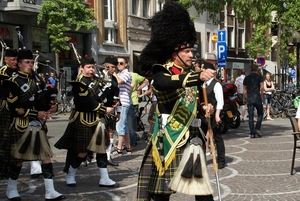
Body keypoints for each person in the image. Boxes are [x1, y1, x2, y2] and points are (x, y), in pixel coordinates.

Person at [136, 2, 215, 200]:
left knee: (202, 191)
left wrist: (205, 108)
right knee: (161, 194)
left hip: (192, 137)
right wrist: (197, 77)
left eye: (192, 50)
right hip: (169, 137)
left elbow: (193, 104)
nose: (191, 54)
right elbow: (164, 83)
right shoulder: (161, 70)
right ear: (175, 53)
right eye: (187, 51)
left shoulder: (190, 73)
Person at [1, 49, 65, 200]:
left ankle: (50, 191)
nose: (30, 65)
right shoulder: (12, 82)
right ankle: (11, 189)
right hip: (21, 124)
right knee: (18, 160)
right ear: (19, 64)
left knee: (46, 157)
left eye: (31, 62)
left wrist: (52, 104)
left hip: (38, 124)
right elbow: (15, 108)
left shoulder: (37, 80)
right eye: (27, 62)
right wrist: (36, 113)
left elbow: (47, 94)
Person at [54, 56, 118, 188]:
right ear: (81, 68)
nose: (91, 69)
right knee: (82, 151)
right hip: (83, 119)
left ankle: (104, 178)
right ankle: (70, 174)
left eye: (93, 67)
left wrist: (113, 100)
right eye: (88, 67)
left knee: (101, 149)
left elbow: (103, 94)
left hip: (97, 119)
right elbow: (87, 102)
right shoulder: (79, 83)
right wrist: (104, 108)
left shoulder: (96, 80)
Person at [199, 60, 226, 169]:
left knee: (217, 137)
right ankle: (201, 160)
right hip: (204, 114)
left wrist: (217, 115)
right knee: (202, 137)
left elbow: (220, 101)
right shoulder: (202, 84)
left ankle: (221, 160)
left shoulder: (216, 84)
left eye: (205, 70)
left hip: (214, 114)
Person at [101, 55, 121, 166]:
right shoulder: (98, 76)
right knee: (100, 133)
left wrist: (118, 110)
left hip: (112, 109)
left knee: (111, 132)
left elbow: (117, 94)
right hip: (100, 109)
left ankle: (108, 156)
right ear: (106, 65)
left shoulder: (114, 78)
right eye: (111, 66)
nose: (113, 69)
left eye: (115, 67)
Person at [111, 57, 133, 154]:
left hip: (123, 102)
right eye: (117, 63)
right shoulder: (119, 74)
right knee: (125, 125)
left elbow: (120, 81)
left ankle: (119, 147)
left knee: (120, 125)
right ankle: (128, 146)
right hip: (118, 102)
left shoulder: (126, 73)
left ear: (126, 64)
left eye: (121, 63)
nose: (118, 65)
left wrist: (113, 73)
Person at [243, 63, 264, 138]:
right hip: (257, 97)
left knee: (251, 116)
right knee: (260, 114)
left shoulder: (247, 78)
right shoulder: (260, 77)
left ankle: (252, 133)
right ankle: (257, 128)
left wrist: (244, 98)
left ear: (251, 70)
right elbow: (262, 87)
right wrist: (261, 95)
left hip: (250, 98)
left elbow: (244, 89)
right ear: (257, 70)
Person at [130, 71, 149, 147]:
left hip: (133, 100)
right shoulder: (118, 75)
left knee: (132, 122)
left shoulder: (134, 75)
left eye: (121, 63)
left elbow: (146, 80)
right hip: (123, 101)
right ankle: (129, 141)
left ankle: (132, 141)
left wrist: (139, 88)